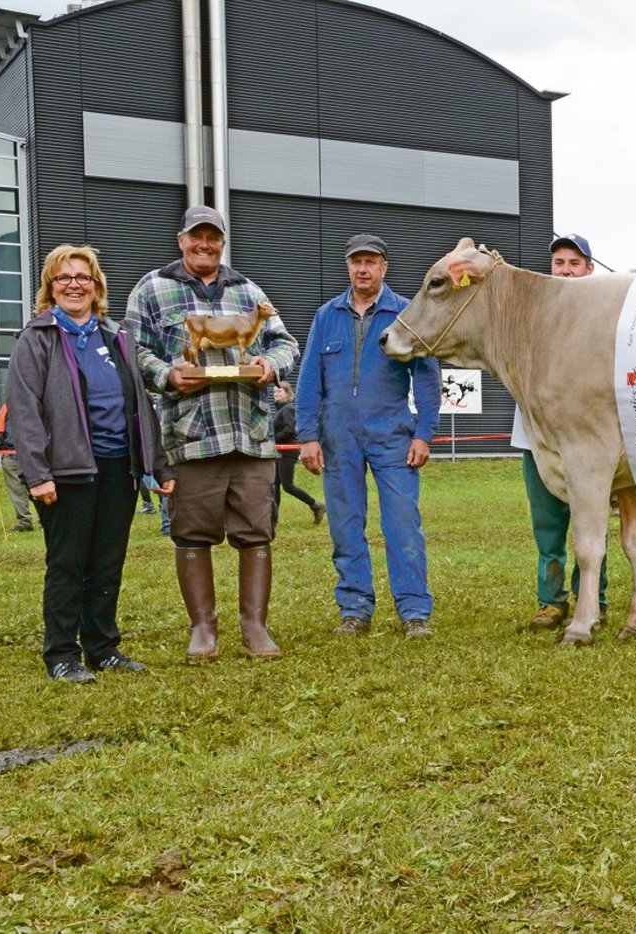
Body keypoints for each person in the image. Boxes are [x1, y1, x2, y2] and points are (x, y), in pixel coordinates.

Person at [124, 205, 299, 661]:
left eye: (214, 238)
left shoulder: (249, 290)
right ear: (181, 239)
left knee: (256, 532)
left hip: (251, 434)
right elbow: (132, 350)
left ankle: (254, 628)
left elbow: (285, 343)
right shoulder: (151, 289)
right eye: (196, 237)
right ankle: (203, 627)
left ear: (223, 242)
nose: (205, 245)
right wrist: (167, 374)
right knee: (191, 533)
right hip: (191, 436)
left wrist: (269, 364)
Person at [7, 244, 174, 682]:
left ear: (97, 286)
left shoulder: (116, 337)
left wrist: (158, 464)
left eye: (83, 277)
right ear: (51, 287)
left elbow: (140, 404)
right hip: (67, 473)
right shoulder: (37, 338)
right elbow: (23, 411)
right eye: (64, 278)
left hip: (119, 470)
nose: (74, 285)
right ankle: (61, 654)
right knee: (68, 563)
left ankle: (102, 647)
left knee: (106, 563)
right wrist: (37, 474)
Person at [296, 234, 439, 637]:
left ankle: (414, 612)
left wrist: (424, 433)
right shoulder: (326, 316)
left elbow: (427, 379)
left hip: (392, 433)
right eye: (356, 261)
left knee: (403, 524)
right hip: (338, 436)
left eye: (371, 262)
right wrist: (308, 435)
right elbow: (309, 381)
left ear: (384, 268)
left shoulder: (407, 314)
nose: (363, 269)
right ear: (348, 267)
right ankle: (355, 608)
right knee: (345, 525)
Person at [514, 234, 609, 631]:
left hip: (591, 441)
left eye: (574, 262)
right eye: (558, 263)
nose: (565, 270)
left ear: (590, 269)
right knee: (548, 524)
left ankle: (595, 598)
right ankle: (551, 601)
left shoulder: (606, 318)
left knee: (591, 519)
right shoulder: (531, 316)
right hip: (537, 435)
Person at [271, 380, 325, 526]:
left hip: (287, 451)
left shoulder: (287, 409)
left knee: (287, 485)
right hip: (280, 450)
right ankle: (273, 519)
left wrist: (273, 439)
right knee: (275, 485)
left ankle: (316, 505)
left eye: (279, 391)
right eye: (274, 391)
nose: (275, 394)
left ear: (287, 394)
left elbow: (290, 429)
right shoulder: (281, 409)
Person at [0, 404, 35, 532]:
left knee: (35, 485)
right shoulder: (7, 406)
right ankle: (25, 521)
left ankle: (38, 519)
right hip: (13, 452)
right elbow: (0, 429)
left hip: (31, 453)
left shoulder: (36, 403)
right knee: (17, 488)